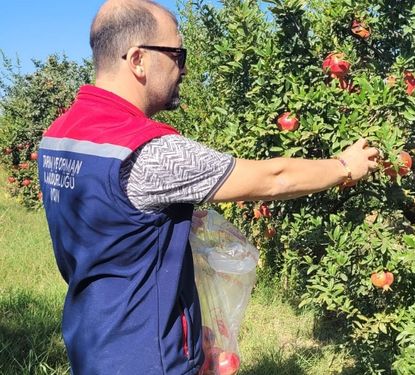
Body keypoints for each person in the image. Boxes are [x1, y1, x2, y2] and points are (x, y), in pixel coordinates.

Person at [37, 0, 379, 374]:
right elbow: (273, 178)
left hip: (92, 341)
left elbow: (111, 218)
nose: (183, 70)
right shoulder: (147, 150)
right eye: (177, 55)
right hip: (149, 356)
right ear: (137, 60)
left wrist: (172, 218)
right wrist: (345, 166)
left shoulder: (59, 137)